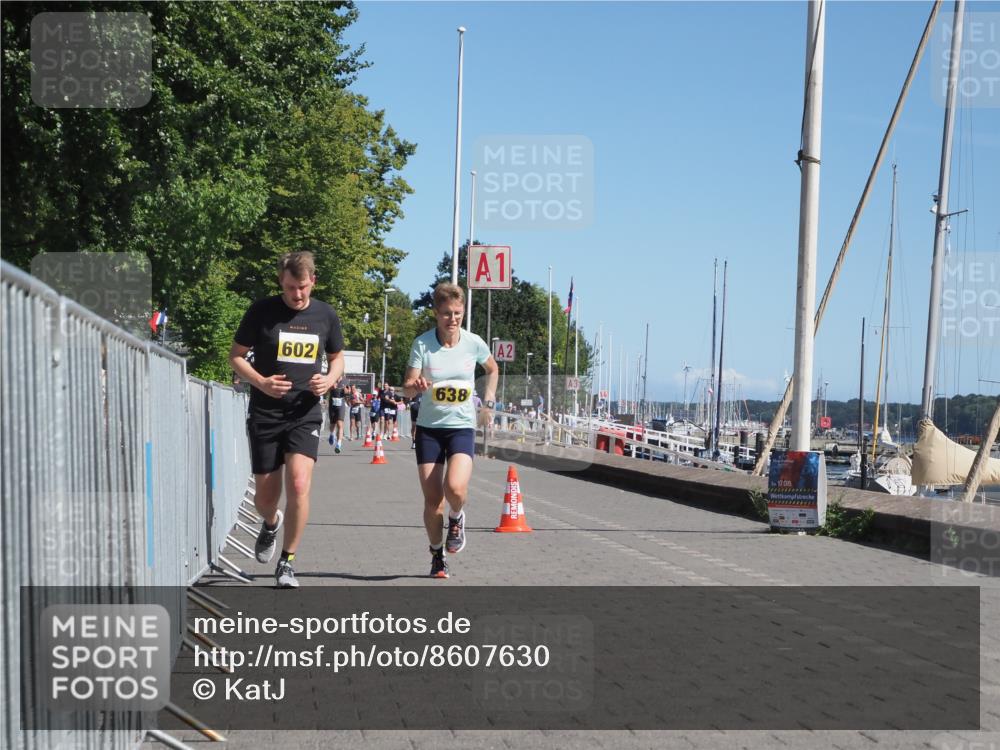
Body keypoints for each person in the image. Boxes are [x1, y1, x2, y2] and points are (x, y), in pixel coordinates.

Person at [229, 251, 344, 589]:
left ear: (313, 282)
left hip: (304, 411)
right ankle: (270, 523)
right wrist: (261, 381)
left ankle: (287, 562)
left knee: (298, 484)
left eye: (303, 288)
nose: (298, 295)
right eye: (291, 287)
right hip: (265, 412)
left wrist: (329, 378)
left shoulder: (325, 314)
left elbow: (337, 358)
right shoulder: (261, 312)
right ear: (281, 281)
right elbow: (235, 356)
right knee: (264, 498)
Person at [403, 283, 499, 579]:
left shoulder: (474, 343)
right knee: (432, 501)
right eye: (446, 313)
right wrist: (415, 387)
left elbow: (492, 369)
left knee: (455, 488)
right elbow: (407, 388)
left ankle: (457, 518)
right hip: (430, 429)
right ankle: (437, 555)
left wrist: (489, 402)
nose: (452, 319)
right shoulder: (422, 344)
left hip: (461, 426)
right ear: (436, 313)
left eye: (457, 313)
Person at [327, 378, 348, 452]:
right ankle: (332, 434)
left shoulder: (345, 381)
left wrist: (345, 389)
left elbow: (348, 392)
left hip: (341, 405)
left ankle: (339, 444)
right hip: (332, 405)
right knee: (332, 424)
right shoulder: (332, 379)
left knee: (340, 424)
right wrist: (331, 387)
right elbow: (326, 390)